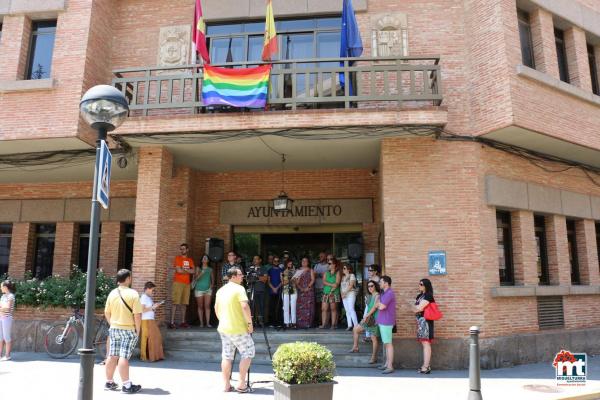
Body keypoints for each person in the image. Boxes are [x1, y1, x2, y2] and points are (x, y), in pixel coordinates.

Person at [214, 267, 255, 393]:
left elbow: (216, 307)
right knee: (248, 353)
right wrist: (250, 323)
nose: (242, 276)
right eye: (240, 274)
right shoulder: (239, 289)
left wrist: (222, 320)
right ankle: (242, 384)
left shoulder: (221, 290)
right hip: (238, 328)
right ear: (232, 276)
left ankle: (226, 385)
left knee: (227, 356)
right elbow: (244, 306)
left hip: (224, 328)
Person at [104, 269, 143, 393]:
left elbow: (106, 312)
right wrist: (138, 330)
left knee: (112, 355)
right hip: (128, 329)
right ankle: (126, 385)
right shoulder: (133, 294)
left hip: (114, 329)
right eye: (130, 277)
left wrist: (113, 324)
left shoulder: (112, 293)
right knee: (123, 357)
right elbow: (137, 315)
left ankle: (109, 382)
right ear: (127, 279)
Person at [350, 280, 381, 365]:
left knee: (373, 338)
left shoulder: (377, 295)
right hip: (368, 317)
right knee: (356, 329)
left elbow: (374, 308)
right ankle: (355, 347)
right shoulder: (370, 295)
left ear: (375, 286)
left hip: (374, 319)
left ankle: (374, 357)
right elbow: (368, 306)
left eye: (372, 286)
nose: (370, 288)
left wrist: (366, 316)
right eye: (369, 286)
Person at [413, 278, 435, 374]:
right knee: (424, 343)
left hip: (426, 321)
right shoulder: (420, 296)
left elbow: (418, 308)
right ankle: (426, 366)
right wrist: (415, 309)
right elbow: (415, 309)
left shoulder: (428, 296)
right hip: (420, 321)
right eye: (419, 284)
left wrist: (415, 308)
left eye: (421, 284)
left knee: (426, 343)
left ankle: (426, 367)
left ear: (426, 285)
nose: (419, 285)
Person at [169, 243, 194, 329]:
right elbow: (178, 270)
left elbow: (193, 271)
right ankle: (172, 322)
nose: (182, 250)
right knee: (175, 302)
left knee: (184, 303)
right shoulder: (177, 258)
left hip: (186, 284)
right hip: (178, 282)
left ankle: (183, 322)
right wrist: (187, 270)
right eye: (181, 249)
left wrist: (183, 269)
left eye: (183, 249)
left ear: (187, 250)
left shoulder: (190, 260)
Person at [139, 281, 164, 362]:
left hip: (150, 319)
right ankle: (143, 356)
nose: (153, 292)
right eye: (152, 290)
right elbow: (142, 310)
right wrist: (153, 307)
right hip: (145, 320)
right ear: (148, 289)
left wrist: (155, 306)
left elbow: (149, 308)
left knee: (154, 337)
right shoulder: (143, 297)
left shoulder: (148, 297)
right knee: (145, 338)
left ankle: (152, 356)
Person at [376, 275, 396, 374]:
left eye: (381, 282)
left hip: (386, 322)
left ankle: (390, 366)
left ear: (386, 283)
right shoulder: (384, 293)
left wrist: (379, 304)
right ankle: (387, 364)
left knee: (388, 344)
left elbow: (381, 306)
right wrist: (379, 304)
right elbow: (378, 304)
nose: (379, 283)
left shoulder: (389, 293)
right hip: (383, 321)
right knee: (386, 343)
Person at [319, 257, 341, 329]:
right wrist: (332, 284)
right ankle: (324, 324)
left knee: (333, 309)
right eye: (328, 263)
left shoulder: (338, 273)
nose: (328, 265)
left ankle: (333, 325)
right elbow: (324, 282)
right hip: (326, 292)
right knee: (324, 309)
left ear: (334, 264)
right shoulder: (326, 272)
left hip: (334, 293)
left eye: (330, 263)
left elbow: (337, 284)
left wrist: (330, 286)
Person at [193, 255, 214, 328]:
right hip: (199, 289)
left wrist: (212, 285)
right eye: (203, 258)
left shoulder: (210, 269)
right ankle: (201, 323)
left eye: (206, 258)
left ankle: (208, 323)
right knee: (200, 306)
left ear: (208, 261)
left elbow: (212, 278)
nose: (205, 259)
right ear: (201, 260)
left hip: (208, 290)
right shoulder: (198, 268)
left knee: (207, 306)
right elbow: (196, 279)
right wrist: (201, 273)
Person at [248, 255, 269, 327]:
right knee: (251, 306)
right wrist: (259, 278)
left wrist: (256, 277)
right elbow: (248, 279)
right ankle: (252, 322)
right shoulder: (250, 268)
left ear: (260, 260)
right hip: (252, 290)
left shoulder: (263, 268)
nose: (254, 260)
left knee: (261, 306)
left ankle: (261, 322)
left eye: (256, 259)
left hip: (260, 290)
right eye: (254, 259)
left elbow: (265, 279)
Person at [295, 256, 315, 329]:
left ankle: (308, 324)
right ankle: (300, 324)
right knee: (300, 308)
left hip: (309, 291)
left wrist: (307, 287)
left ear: (308, 262)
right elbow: (296, 281)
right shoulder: (298, 270)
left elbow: (313, 280)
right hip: (300, 291)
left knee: (309, 307)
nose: (304, 262)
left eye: (305, 261)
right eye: (303, 261)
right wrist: (300, 288)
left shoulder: (311, 270)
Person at [363, 264, 381, 343]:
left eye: (371, 270)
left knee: (369, 315)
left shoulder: (378, 279)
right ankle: (368, 335)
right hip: (369, 298)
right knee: (366, 314)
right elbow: (368, 290)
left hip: (375, 299)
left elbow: (378, 291)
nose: (369, 272)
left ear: (376, 271)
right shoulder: (370, 278)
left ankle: (370, 335)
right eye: (368, 270)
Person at [0, 280, 16, 361]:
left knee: (6, 337)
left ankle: (7, 355)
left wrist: (2, 308)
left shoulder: (11, 296)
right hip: (1, 317)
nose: (0, 288)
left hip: (6, 318)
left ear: (5, 287)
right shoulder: (3, 296)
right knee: (0, 337)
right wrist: (2, 308)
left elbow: (8, 309)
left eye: (1, 286)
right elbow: (3, 307)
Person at [341, 263, 359, 331]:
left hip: (351, 293)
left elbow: (351, 285)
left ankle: (356, 325)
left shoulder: (352, 275)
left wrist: (344, 293)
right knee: (347, 310)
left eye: (344, 268)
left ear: (349, 269)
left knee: (351, 309)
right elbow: (341, 287)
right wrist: (342, 294)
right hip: (344, 295)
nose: (343, 270)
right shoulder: (343, 277)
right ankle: (349, 325)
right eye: (343, 268)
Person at [266, 256, 283, 327]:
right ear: (272, 262)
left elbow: (282, 281)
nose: (276, 262)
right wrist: (273, 288)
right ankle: (271, 322)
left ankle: (279, 322)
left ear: (279, 262)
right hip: (271, 290)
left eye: (277, 261)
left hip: (279, 290)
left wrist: (277, 288)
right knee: (271, 307)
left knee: (279, 307)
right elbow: (268, 281)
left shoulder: (281, 270)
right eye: (275, 261)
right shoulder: (269, 270)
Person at [313, 252, 329, 326]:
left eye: (322, 256)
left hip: (325, 288)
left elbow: (328, 276)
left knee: (326, 306)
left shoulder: (328, 266)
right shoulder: (316, 265)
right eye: (319, 256)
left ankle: (326, 322)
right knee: (318, 305)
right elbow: (313, 275)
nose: (320, 257)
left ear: (325, 257)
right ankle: (319, 321)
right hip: (317, 287)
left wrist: (320, 275)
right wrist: (320, 275)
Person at [281, 259, 297, 328]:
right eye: (289, 264)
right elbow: (283, 283)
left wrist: (294, 279)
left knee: (293, 307)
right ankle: (286, 323)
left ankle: (293, 323)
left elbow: (297, 283)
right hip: (285, 291)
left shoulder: (295, 272)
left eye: (291, 264)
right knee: (286, 307)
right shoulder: (283, 272)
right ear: (286, 265)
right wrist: (290, 280)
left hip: (294, 290)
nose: (290, 265)